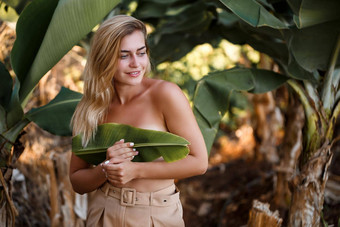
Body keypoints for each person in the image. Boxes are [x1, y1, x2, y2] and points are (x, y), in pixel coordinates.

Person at [69, 15, 208, 227]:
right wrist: (105, 169)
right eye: (124, 56)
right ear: (104, 58)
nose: (136, 63)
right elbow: (77, 180)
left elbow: (199, 162)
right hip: (104, 211)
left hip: (155, 214)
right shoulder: (91, 107)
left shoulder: (165, 94)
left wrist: (137, 170)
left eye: (141, 53)